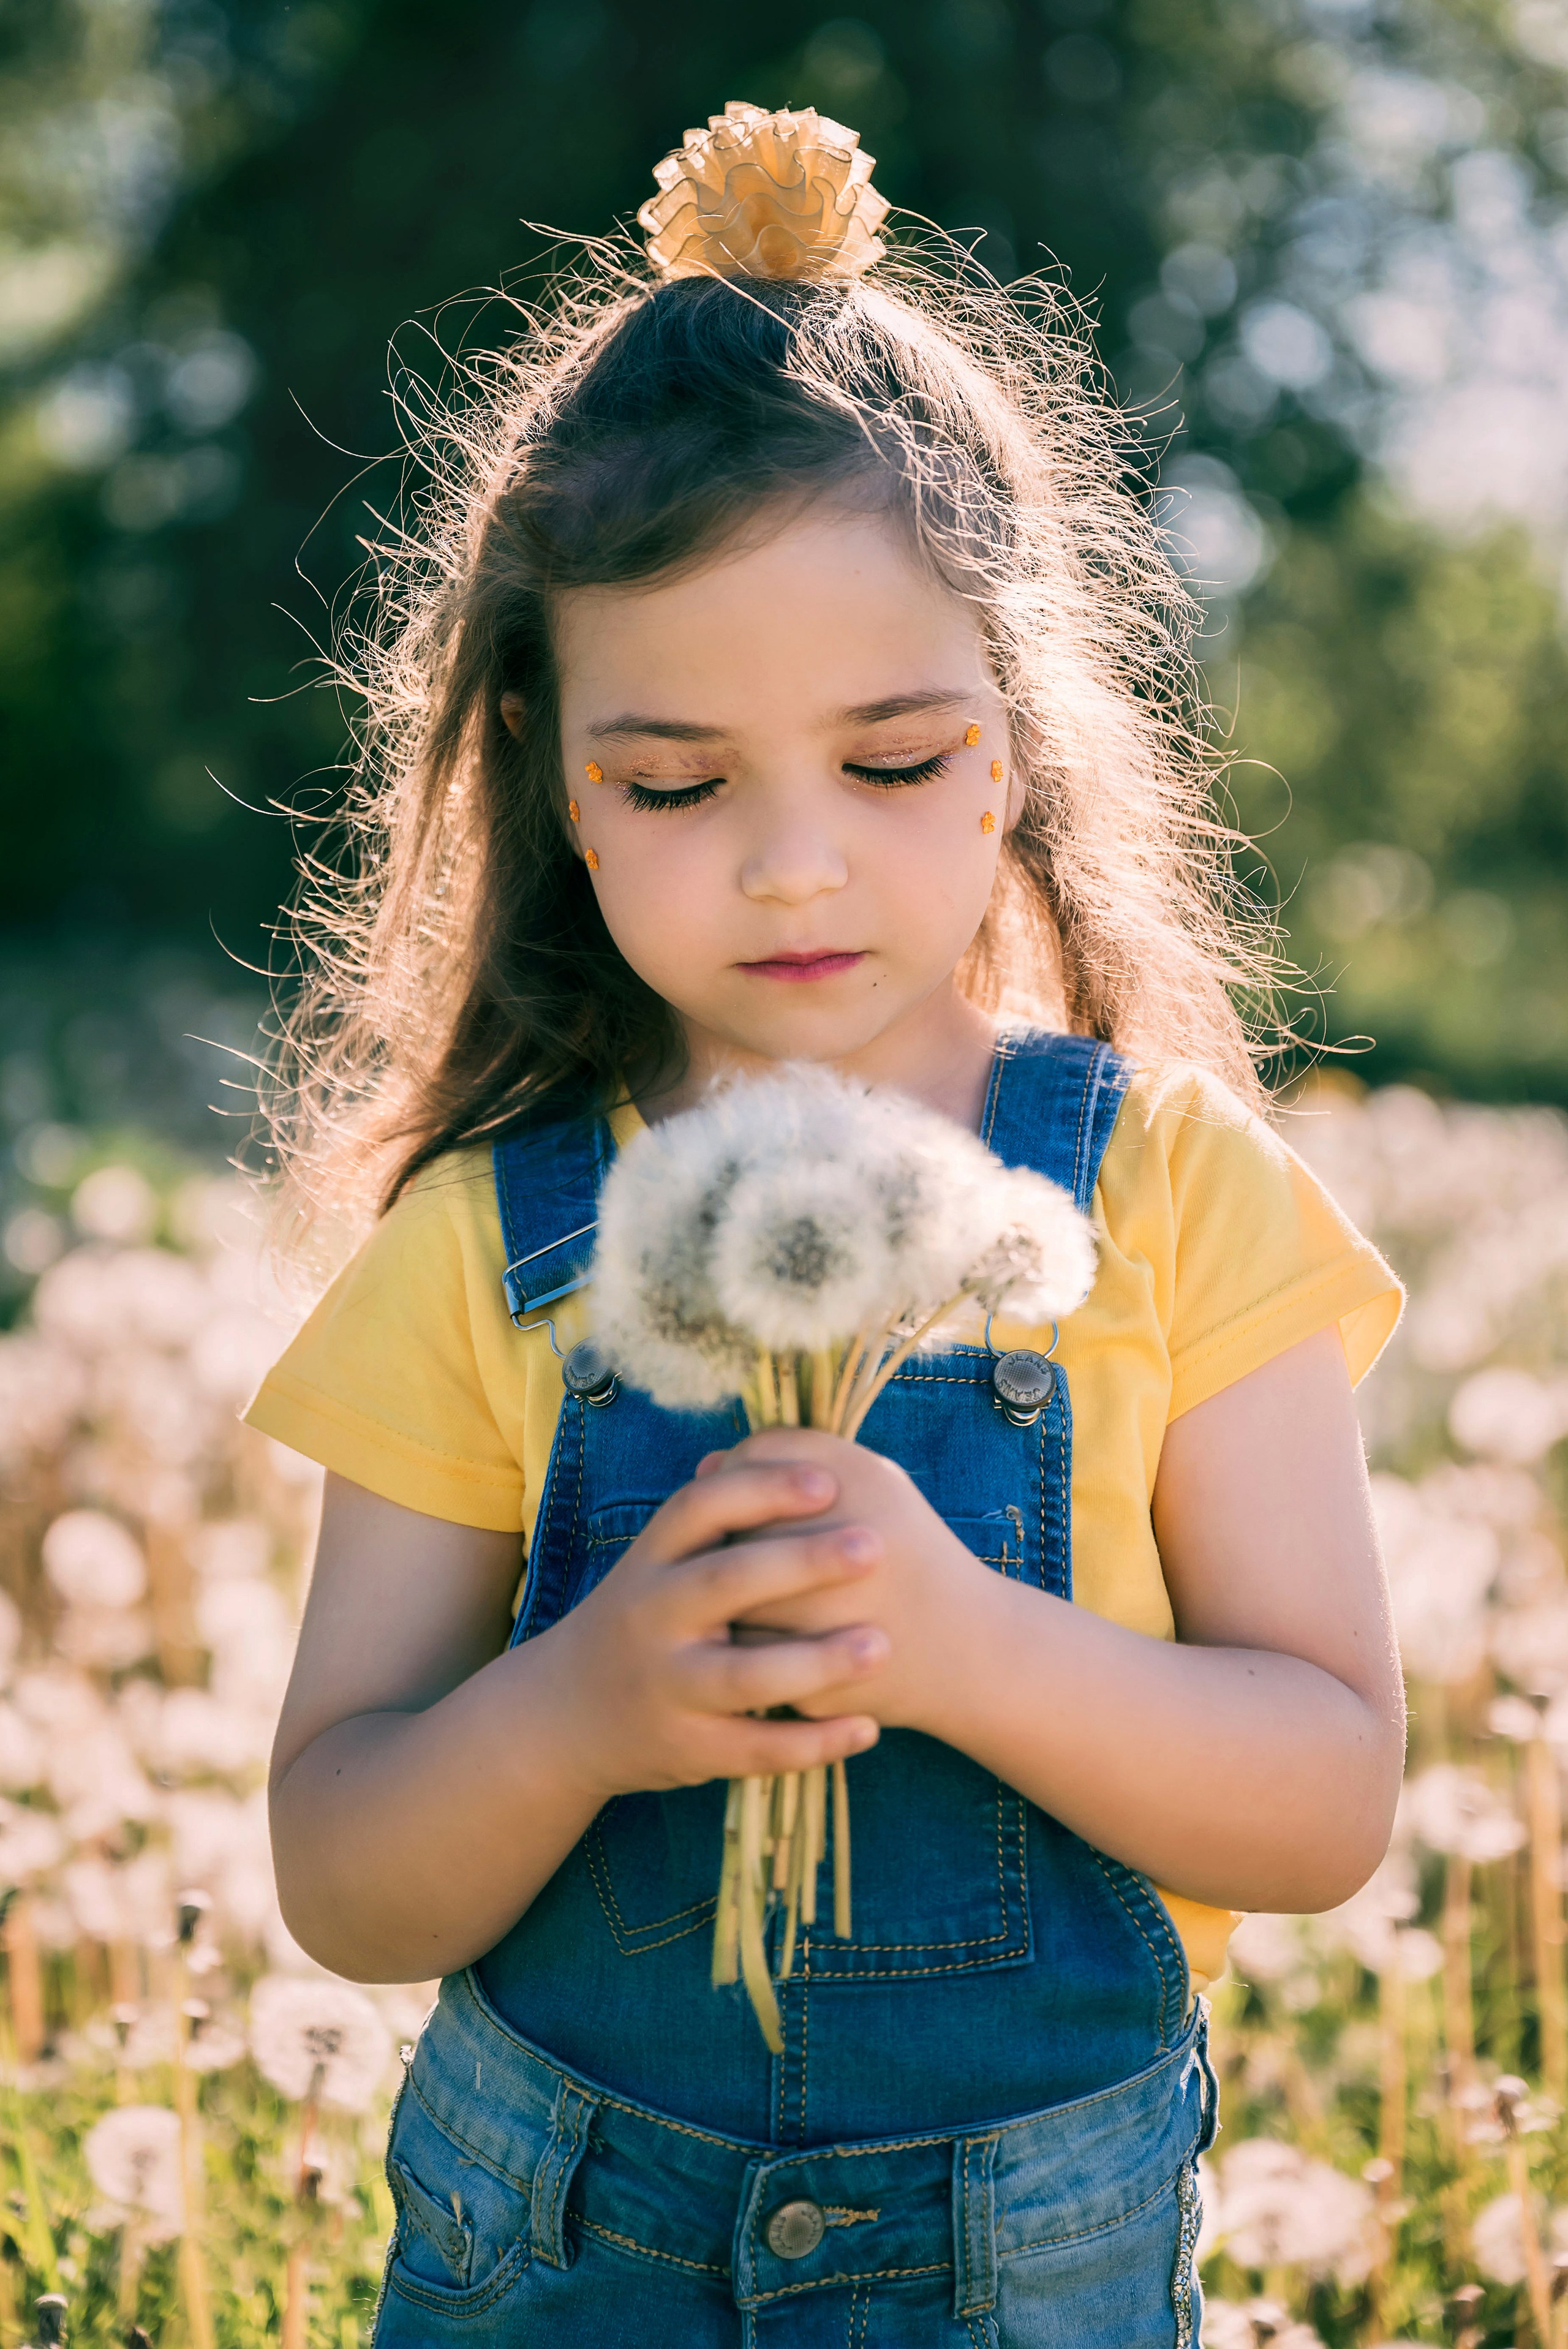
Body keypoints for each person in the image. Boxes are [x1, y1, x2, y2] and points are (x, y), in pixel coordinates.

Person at [247, 102, 1406, 2347]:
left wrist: (969, 1646)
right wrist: (577, 1705)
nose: (792, 864)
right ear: (554, 774)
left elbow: (1328, 1794)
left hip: (1029, 2260)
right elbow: (342, 1868)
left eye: (890, 761)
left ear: (1016, 753)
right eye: (677, 781)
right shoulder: (487, 1245)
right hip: (557, 2241)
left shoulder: (1175, 1192)